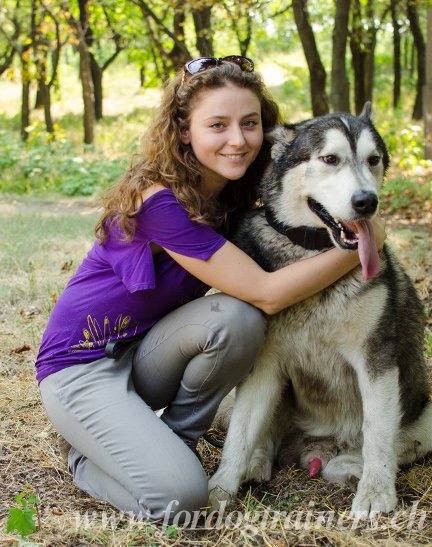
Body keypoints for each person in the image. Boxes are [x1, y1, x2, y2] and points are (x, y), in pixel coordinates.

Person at [36, 55, 386, 523]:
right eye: (217, 124)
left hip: (144, 353)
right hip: (81, 364)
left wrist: (354, 212)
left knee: (235, 320)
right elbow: (267, 292)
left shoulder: (232, 194)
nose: (237, 140)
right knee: (181, 501)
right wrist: (365, 240)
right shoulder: (159, 201)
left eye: (250, 123)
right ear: (184, 130)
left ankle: (170, 442)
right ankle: (87, 457)